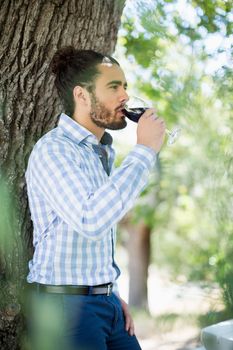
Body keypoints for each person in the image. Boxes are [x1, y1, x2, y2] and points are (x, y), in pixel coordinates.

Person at [25, 46, 166, 350]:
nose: (124, 96)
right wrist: (145, 152)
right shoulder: (55, 150)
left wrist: (110, 292)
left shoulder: (103, 151)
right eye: (113, 87)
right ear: (82, 95)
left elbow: (97, 239)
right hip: (66, 309)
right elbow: (90, 220)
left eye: (125, 86)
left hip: (106, 305)